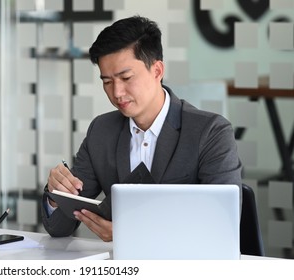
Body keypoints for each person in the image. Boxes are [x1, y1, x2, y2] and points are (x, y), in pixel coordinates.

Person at [41, 15, 242, 242]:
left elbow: (222, 226)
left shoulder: (210, 132)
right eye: (107, 81)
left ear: (157, 71)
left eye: (126, 77)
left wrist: (131, 233)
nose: (116, 92)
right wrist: (55, 195)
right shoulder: (101, 131)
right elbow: (59, 228)